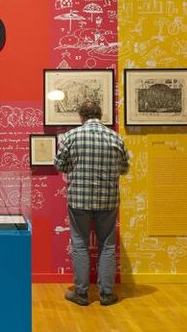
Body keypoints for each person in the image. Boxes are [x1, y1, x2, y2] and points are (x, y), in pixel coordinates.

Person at [54, 100, 129, 307]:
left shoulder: (71, 136)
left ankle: (81, 293)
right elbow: (124, 168)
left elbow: (60, 165)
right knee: (108, 245)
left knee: (80, 244)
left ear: (81, 116)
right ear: (100, 114)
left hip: (79, 199)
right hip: (108, 199)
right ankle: (106, 294)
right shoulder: (115, 137)